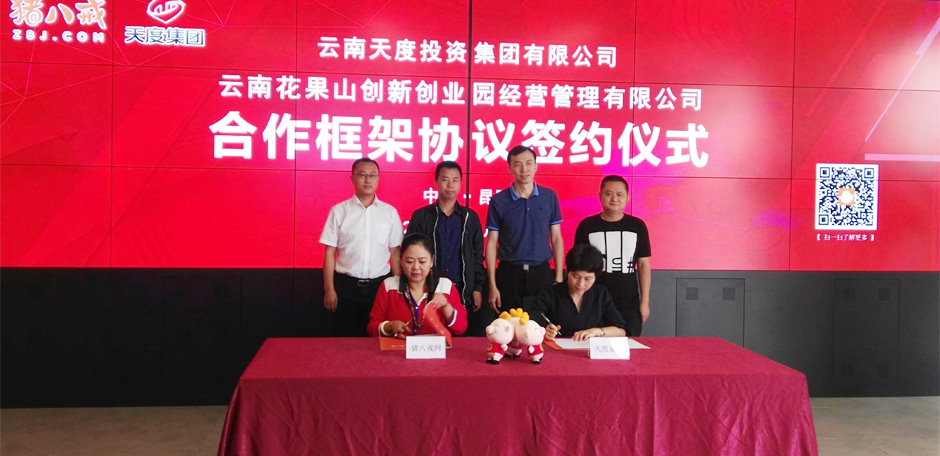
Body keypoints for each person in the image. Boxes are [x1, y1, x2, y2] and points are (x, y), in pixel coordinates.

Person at [320, 158, 403, 337]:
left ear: (378, 178)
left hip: (379, 287)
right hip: (346, 286)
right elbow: (329, 253)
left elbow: (395, 252)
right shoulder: (339, 211)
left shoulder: (389, 212)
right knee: (345, 339)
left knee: (379, 339)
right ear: (352, 178)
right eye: (362, 175)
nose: (367, 180)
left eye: (372, 175)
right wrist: (329, 289)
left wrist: (399, 288)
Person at [486, 145, 564, 313]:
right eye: (518, 164)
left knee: (540, 324)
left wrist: (558, 277)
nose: (524, 169)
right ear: (510, 169)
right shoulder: (498, 201)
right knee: (508, 325)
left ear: (536, 166)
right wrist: (492, 285)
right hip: (509, 273)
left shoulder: (549, 196)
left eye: (529, 163)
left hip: (541, 272)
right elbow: (491, 243)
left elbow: (556, 238)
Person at [574, 175, 651, 336]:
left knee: (629, 342)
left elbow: (643, 265)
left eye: (619, 194)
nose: (614, 199)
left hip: (628, 300)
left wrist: (644, 302)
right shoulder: (587, 226)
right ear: (600, 196)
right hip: (594, 299)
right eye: (608, 194)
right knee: (592, 342)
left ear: (627, 197)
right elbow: (577, 266)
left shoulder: (637, 226)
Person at [406, 161, 485, 315]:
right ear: (436, 182)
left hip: (461, 289)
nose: (450, 185)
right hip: (428, 287)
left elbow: (477, 256)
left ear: (460, 183)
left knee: (459, 327)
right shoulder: (421, 216)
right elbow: (409, 253)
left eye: (455, 180)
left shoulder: (470, 217)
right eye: (445, 179)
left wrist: (477, 288)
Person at [367, 233, 468, 338]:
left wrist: (446, 307)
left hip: (434, 348)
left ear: (431, 261)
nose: (416, 267)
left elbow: (461, 328)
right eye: (409, 261)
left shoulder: (445, 286)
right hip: (398, 347)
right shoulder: (389, 286)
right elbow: (372, 328)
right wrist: (390, 326)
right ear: (401, 261)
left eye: (422, 261)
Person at [530, 244, 627, 341]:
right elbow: (531, 322)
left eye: (588, 279)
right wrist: (544, 330)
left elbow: (621, 331)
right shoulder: (551, 293)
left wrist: (597, 332)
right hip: (557, 346)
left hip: (589, 347)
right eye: (575, 277)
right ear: (567, 272)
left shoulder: (601, 294)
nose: (580, 284)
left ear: (596, 277)